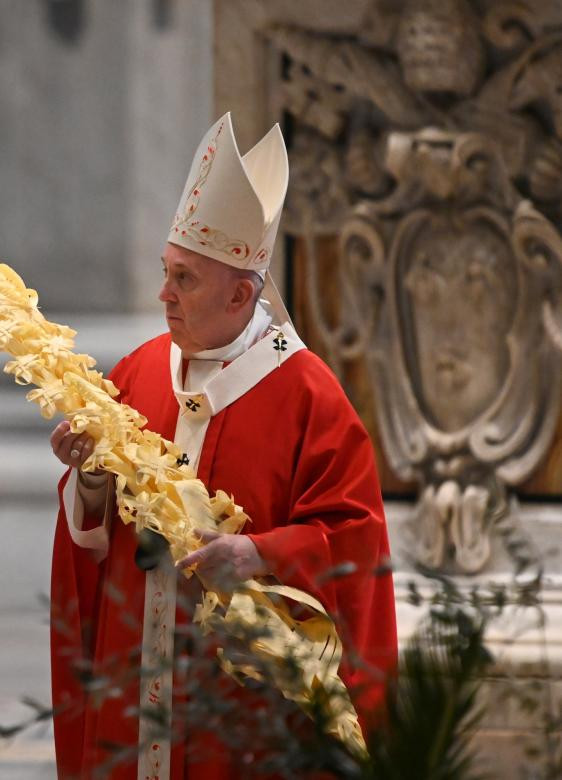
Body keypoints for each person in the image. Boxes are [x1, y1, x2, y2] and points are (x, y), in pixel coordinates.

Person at [47, 113, 397, 779]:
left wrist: (259, 553)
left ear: (242, 293)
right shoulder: (138, 372)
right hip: (136, 675)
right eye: (166, 271)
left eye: (186, 280)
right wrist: (89, 480)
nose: (164, 295)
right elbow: (94, 538)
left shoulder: (308, 395)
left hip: (239, 703)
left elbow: (354, 542)